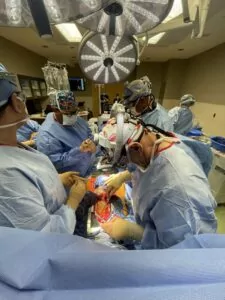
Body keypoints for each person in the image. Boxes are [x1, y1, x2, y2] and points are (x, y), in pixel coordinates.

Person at [104, 118, 217, 249]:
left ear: (136, 148)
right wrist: (123, 176)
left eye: (125, 162)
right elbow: (152, 169)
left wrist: (135, 232)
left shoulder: (179, 190)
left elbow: (186, 251)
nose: (127, 166)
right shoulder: (154, 141)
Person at [0, 66, 87, 233]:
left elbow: (29, 182)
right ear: (16, 103)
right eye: (18, 95)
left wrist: (55, 180)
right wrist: (73, 201)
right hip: (59, 239)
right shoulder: (6, 175)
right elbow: (46, 237)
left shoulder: (12, 147)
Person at [36, 91, 97, 177]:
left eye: (74, 112)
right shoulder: (47, 135)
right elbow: (55, 163)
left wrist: (92, 143)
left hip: (88, 170)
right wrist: (79, 151)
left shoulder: (78, 120)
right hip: (71, 180)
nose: (72, 116)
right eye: (68, 113)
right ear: (55, 110)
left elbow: (88, 132)